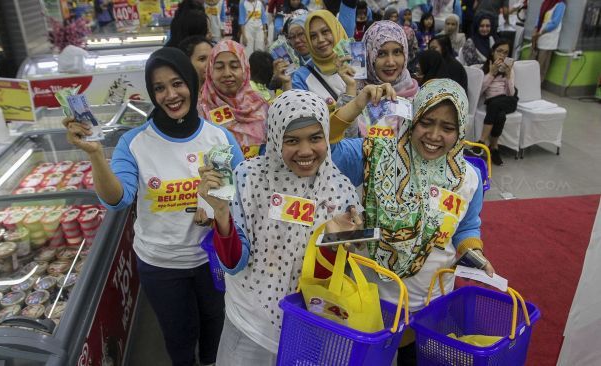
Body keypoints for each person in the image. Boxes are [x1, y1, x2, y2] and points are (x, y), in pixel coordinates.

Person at [62, 47, 245, 366]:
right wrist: (94, 154)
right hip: (161, 265)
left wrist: (218, 207)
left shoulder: (219, 138)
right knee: (179, 338)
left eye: (177, 83)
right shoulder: (134, 143)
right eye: (159, 88)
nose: (170, 94)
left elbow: (237, 194)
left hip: (210, 259)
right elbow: (117, 199)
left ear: (192, 83)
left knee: (215, 328)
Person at [329, 78, 494, 364]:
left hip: (430, 304)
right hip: (371, 298)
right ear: (414, 117)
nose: (434, 135)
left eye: (448, 128)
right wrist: (357, 103)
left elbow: (467, 225)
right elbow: (327, 153)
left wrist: (473, 252)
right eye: (426, 122)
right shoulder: (376, 154)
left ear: (460, 131)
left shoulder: (467, 177)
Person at [198, 89, 363, 364]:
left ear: (326, 134)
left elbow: (327, 284)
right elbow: (233, 264)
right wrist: (221, 212)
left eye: (315, 138)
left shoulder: (341, 193)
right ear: (275, 138)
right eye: (292, 141)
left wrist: (334, 245)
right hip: (248, 323)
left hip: (308, 328)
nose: (305, 151)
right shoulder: (248, 179)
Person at [199, 40, 269, 158]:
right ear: (210, 71)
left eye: (234, 66)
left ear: (245, 69)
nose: (227, 73)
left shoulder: (262, 106)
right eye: (219, 67)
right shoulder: (200, 111)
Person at [291, 10, 350, 109]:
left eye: (325, 31)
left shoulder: (357, 62)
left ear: (336, 30)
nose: (320, 39)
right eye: (313, 36)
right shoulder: (301, 77)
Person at [475, 39, 517, 166]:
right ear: (493, 52)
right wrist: (491, 73)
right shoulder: (486, 68)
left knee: (495, 104)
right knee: (500, 115)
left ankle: (481, 142)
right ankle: (494, 148)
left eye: (506, 53)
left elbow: (511, 93)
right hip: (493, 102)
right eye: (499, 51)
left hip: (509, 100)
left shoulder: (510, 70)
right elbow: (480, 91)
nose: (502, 55)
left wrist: (509, 75)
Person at [531, 0, 566, 83]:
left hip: (548, 39)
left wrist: (540, 33)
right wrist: (536, 28)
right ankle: (526, 83)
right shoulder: (546, 2)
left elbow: (555, 23)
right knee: (531, 62)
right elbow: (540, 17)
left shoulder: (560, 4)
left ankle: (535, 86)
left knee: (541, 65)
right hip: (538, 37)